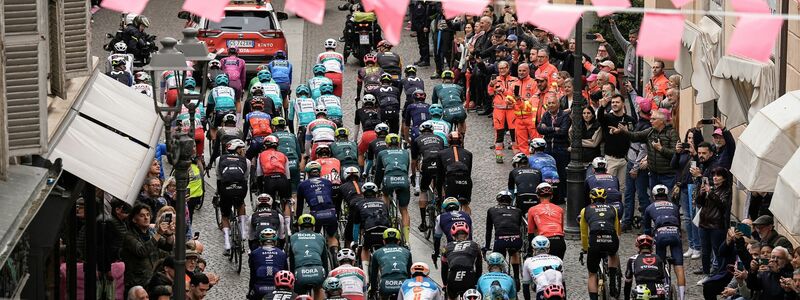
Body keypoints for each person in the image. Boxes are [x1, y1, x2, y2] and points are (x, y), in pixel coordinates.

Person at [613, 109, 680, 191]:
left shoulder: (672, 133)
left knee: (669, 201)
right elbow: (635, 136)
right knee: (654, 201)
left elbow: (675, 154)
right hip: (653, 174)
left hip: (668, 176)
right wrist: (623, 131)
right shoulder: (651, 131)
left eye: (653, 119)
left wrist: (660, 148)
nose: (650, 121)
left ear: (662, 121)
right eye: (651, 118)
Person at [641, 185, 686, 299]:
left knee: (659, 264)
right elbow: (679, 225)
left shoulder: (650, 207)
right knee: (679, 266)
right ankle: (681, 296)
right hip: (675, 233)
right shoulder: (674, 207)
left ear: (653, 195)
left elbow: (646, 229)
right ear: (667, 195)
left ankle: (661, 290)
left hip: (661, 235)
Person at [580, 188, 623, 300]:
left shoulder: (585, 210)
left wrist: (585, 249)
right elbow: (617, 229)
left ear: (591, 198)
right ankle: (613, 282)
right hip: (611, 239)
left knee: (592, 274)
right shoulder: (613, 208)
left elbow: (584, 234)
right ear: (605, 198)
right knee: (613, 254)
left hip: (595, 240)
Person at [121, 203, 174, 292]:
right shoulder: (129, 236)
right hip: (136, 283)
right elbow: (142, 251)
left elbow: (167, 246)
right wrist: (159, 233)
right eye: (142, 215)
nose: (146, 218)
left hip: (152, 279)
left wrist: (169, 234)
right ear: (134, 219)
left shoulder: (150, 232)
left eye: (148, 215)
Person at [695, 167, 733, 281]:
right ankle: (706, 274)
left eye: (718, 175)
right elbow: (699, 203)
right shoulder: (710, 188)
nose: (715, 177)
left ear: (724, 178)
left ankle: (720, 275)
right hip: (704, 224)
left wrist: (709, 192)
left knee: (718, 251)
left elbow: (722, 205)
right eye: (714, 175)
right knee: (705, 251)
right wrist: (701, 193)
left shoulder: (726, 190)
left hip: (717, 225)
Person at [296, 161, 339, 260]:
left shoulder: (302, 185)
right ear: (320, 172)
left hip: (316, 214)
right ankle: (335, 255)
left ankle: (316, 255)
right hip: (331, 212)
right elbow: (332, 198)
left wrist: (297, 219)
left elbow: (300, 206)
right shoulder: (328, 182)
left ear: (307, 173)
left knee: (313, 237)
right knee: (332, 236)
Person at [374, 133, 411, 243]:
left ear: (387, 143)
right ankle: (407, 239)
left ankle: (385, 215)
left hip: (389, 179)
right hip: (403, 179)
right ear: (399, 143)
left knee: (385, 195)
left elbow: (379, 173)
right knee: (404, 210)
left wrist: (377, 186)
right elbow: (406, 168)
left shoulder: (382, 153)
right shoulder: (405, 152)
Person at [485, 191, 524, 287]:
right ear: (510, 201)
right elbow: (518, 228)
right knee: (515, 253)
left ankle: (500, 276)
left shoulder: (491, 210)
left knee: (498, 257)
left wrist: (487, 246)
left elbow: (489, 230)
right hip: (516, 238)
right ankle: (516, 277)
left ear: (498, 200)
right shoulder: (518, 210)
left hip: (500, 239)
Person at [537, 93, 570, 204]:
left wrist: (548, 129)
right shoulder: (546, 115)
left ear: (558, 104)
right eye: (549, 103)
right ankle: (550, 196)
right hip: (548, 149)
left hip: (561, 148)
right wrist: (554, 129)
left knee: (561, 174)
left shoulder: (564, 115)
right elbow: (539, 129)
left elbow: (563, 131)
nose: (550, 105)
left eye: (553, 103)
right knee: (549, 174)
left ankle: (562, 196)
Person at [289, 214, 329, 300]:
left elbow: (292, 262)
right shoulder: (320, 237)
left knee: (298, 292)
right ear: (313, 227)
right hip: (318, 272)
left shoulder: (293, 237)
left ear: (299, 227)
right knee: (319, 289)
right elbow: (324, 261)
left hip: (300, 273)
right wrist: (324, 278)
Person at [351, 181, 390, 265]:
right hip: (384, 232)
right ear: (376, 193)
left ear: (363, 193)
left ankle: (366, 274)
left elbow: (356, 225)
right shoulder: (383, 203)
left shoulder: (359, 204)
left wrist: (355, 242)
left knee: (365, 249)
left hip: (369, 232)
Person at [440, 222, 482, 300]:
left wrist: (445, 284)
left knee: (451, 297)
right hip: (469, 276)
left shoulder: (445, 247)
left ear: (453, 235)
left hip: (453, 277)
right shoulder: (476, 245)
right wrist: (476, 282)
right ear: (467, 234)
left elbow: (444, 268)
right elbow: (479, 266)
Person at [488, 61, 520, 163]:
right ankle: (499, 154)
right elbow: (489, 93)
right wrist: (490, 85)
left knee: (514, 132)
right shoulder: (495, 80)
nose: (502, 70)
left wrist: (503, 90)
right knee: (499, 132)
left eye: (504, 68)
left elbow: (515, 93)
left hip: (511, 109)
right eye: (500, 68)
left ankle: (517, 154)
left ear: (508, 68)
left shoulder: (515, 80)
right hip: (498, 110)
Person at [268, 117, 302, 211]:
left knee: (281, 190)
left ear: (274, 127)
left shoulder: (272, 136)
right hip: (294, 162)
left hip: (281, 164)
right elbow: (299, 154)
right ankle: (294, 214)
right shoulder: (292, 135)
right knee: (294, 192)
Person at [436, 132, 474, 214]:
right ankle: (468, 222)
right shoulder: (468, 154)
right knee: (465, 204)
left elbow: (440, 176)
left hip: (451, 181)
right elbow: (469, 173)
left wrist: (439, 195)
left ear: (448, 141)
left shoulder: (441, 154)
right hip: (466, 181)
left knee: (449, 206)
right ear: (461, 141)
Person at [369, 228, 412, 300]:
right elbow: (410, 274)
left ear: (383, 241)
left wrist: (373, 291)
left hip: (386, 285)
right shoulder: (406, 252)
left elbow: (374, 275)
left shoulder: (377, 253)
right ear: (398, 241)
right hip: (403, 285)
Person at [526, 183, 566, 259]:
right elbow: (561, 229)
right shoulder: (559, 209)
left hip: (543, 243)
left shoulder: (532, 210)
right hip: (559, 241)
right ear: (552, 196)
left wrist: (529, 251)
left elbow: (530, 232)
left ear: (537, 196)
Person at [623, 235, 668, 300]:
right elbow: (663, 277)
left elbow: (628, 280)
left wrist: (626, 298)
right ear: (651, 247)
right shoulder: (658, 258)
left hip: (641, 289)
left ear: (638, 246)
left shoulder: (632, 259)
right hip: (658, 290)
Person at [248, 228, 289, 299]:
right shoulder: (281, 254)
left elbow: (252, 274)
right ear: (275, 241)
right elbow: (286, 272)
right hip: (277, 288)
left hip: (259, 289)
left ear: (261, 242)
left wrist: (250, 290)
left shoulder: (254, 253)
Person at [521, 235, 565, 300]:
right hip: (559, 291)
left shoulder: (528, 261)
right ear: (548, 249)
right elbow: (563, 282)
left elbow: (526, 286)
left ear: (533, 250)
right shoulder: (558, 259)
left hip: (542, 291)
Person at [432, 70, 467, 135]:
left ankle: (448, 139)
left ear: (442, 79)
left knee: (447, 127)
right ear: (453, 80)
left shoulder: (437, 88)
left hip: (447, 112)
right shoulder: (459, 87)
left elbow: (434, 103)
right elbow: (462, 101)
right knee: (462, 121)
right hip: (459, 110)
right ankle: (462, 137)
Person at [206, 74, 238, 141]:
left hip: (219, 111)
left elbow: (210, 105)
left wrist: (207, 117)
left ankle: (214, 143)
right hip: (232, 110)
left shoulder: (214, 90)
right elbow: (234, 102)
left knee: (213, 127)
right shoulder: (231, 89)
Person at [289, 85, 317, 154]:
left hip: (302, 127)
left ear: (297, 94)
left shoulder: (294, 101)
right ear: (308, 94)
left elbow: (290, 119)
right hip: (313, 126)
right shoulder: (313, 101)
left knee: (301, 152)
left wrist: (293, 134)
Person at [410, 0, 433, 66]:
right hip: (418, 27)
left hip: (423, 27)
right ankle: (422, 58)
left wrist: (426, 26)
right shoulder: (418, 3)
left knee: (424, 44)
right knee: (420, 43)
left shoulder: (426, 3)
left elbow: (427, 16)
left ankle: (426, 60)